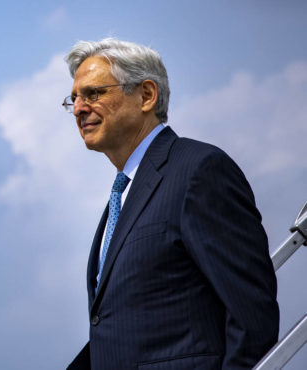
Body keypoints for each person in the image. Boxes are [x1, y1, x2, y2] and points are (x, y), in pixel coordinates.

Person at [63, 38, 279, 369]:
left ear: (146, 95)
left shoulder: (199, 171)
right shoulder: (123, 194)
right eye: (74, 98)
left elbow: (251, 314)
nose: (79, 108)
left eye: (94, 94)